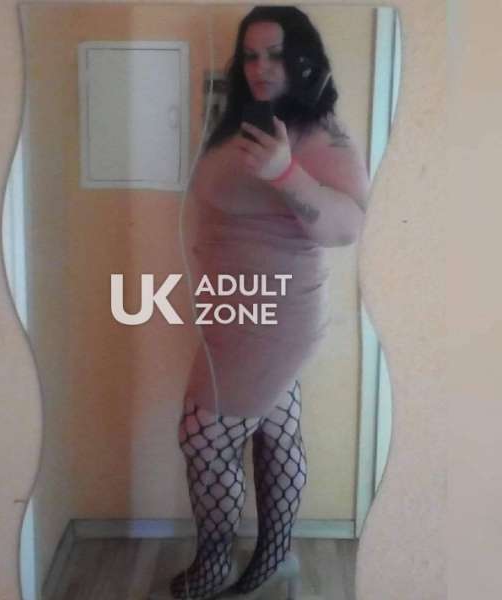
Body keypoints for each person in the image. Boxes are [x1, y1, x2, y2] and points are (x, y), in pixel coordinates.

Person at [162, 6, 370, 599]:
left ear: (304, 59)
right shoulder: (242, 120)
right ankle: (275, 558)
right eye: (250, 55)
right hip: (232, 310)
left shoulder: (321, 133)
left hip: (274, 317)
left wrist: (286, 174)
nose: (260, 68)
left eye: (275, 54)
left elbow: (348, 227)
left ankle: (212, 568)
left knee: (203, 437)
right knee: (276, 430)